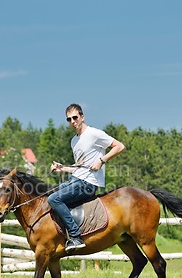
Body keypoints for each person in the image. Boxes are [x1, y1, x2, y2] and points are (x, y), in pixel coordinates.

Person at [48, 103, 125, 252]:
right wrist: (62, 168)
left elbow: (119, 146)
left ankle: (76, 237)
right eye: (69, 119)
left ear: (82, 117)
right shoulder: (74, 141)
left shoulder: (94, 134)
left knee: (54, 199)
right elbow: (79, 167)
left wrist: (101, 161)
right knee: (48, 194)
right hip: (76, 180)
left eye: (75, 117)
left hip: (87, 184)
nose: (72, 121)